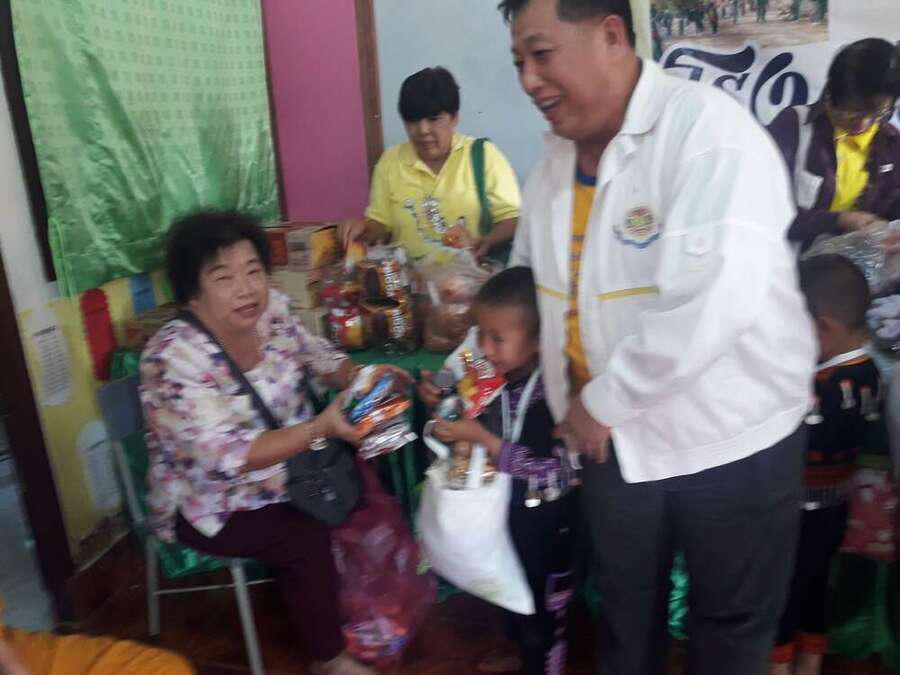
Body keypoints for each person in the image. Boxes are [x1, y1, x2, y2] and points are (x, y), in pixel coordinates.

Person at [498, 1, 817, 674]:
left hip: (730, 440)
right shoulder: (552, 167)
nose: (527, 80)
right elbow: (533, 283)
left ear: (612, 35)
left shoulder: (708, 135)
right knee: (623, 617)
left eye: (542, 54)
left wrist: (601, 403)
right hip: (611, 443)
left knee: (728, 629)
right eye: (518, 62)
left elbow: (712, 301)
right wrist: (482, 326)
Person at [140, 210, 395, 675]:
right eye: (224, 277)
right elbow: (228, 456)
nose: (246, 289)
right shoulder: (171, 359)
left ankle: (348, 600)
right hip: (210, 501)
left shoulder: (272, 312)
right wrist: (320, 429)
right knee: (303, 534)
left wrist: (360, 377)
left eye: (253, 270)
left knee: (368, 470)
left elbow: (316, 354)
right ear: (192, 291)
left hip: (292, 467)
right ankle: (328, 657)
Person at [423, 266, 578, 675]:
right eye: (481, 335)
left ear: (537, 339)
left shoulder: (554, 393)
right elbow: (466, 410)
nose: (485, 349)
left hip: (550, 525)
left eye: (498, 339)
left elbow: (551, 471)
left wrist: (481, 438)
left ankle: (542, 663)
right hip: (507, 514)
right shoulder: (492, 379)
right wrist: (441, 399)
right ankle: (518, 649)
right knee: (509, 588)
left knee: (545, 610)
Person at [771, 255, 886, 675]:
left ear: (822, 327)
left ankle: (777, 667)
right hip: (837, 505)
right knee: (816, 586)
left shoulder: (819, 386)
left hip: (796, 511)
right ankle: (810, 663)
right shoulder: (873, 371)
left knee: (784, 592)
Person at [338, 67, 521, 261]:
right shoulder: (390, 162)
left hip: (470, 275)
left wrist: (485, 242)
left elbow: (513, 218)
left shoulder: (484, 156)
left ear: (454, 118)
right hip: (409, 278)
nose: (423, 130)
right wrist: (362, 229)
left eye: (434, 119)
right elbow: (380, 225)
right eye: (412, 121)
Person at [767, 39, 900, 251]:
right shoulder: (793, 127)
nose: (863, 124)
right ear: (830, 95)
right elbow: (761, 208)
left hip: (854, 263)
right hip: (789, 262)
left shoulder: (891, 142)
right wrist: (836, 221)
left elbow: (893, 207)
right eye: (852, 112)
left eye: (877, 113)